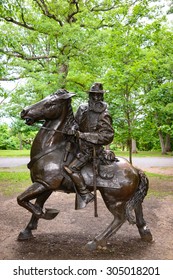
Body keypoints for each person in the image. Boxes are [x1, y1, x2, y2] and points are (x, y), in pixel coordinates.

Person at [64, 82, 114, 209]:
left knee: (71, 168)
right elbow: (75, 123)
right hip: (78, 146)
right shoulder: (82, 108)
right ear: (90, 95)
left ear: (102, 97)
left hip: (92, 149)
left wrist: (82, 135)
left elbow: (107, 136)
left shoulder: (104, 114)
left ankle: (85, 194)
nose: (95, 98)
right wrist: (72, 130)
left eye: (98, 95)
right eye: (93, 95)